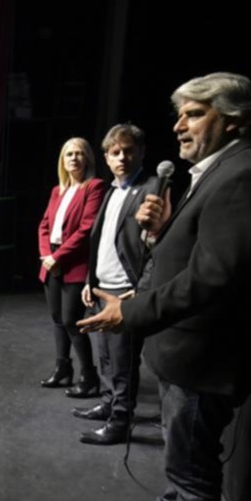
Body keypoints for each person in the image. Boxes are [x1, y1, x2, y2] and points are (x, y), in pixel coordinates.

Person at [79, 73, 251, 501]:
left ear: (233, 117)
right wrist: (162, 230)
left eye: (193, 113)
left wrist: (133, 311)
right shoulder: (213, 174)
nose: (179, 125)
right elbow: (194, 253)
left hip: (206, 355)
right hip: (183, 349)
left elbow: (214, 276)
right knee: (179, 454)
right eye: (181, 114)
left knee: (192, 463)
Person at [76, 123, 167, 445]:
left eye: (129, 151)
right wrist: (90, 280)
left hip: (125, 292)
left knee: (123, 362)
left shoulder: (153, 187)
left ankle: (120, 420)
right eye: (115, 152)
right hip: (102, 286)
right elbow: (98, 239)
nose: (122, 157)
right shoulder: (111, 190)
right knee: (105, 357)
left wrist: (140, 289)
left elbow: (159, 245)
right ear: (106, 157)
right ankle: (107, 403)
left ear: (141, 152)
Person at [37, 138, 105, 397]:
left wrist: (59, 257)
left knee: (71, 321)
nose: (74, 158)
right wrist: (46, 255)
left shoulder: (94, 187)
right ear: (62, 161)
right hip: (51, 259)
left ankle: (89, 377)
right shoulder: (58, 191)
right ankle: (63, 370)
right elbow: (44, 225)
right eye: (69, 154)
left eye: (79, 154)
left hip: (74, 262)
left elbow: (87, 228)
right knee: (57, 319)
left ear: (87, 159)